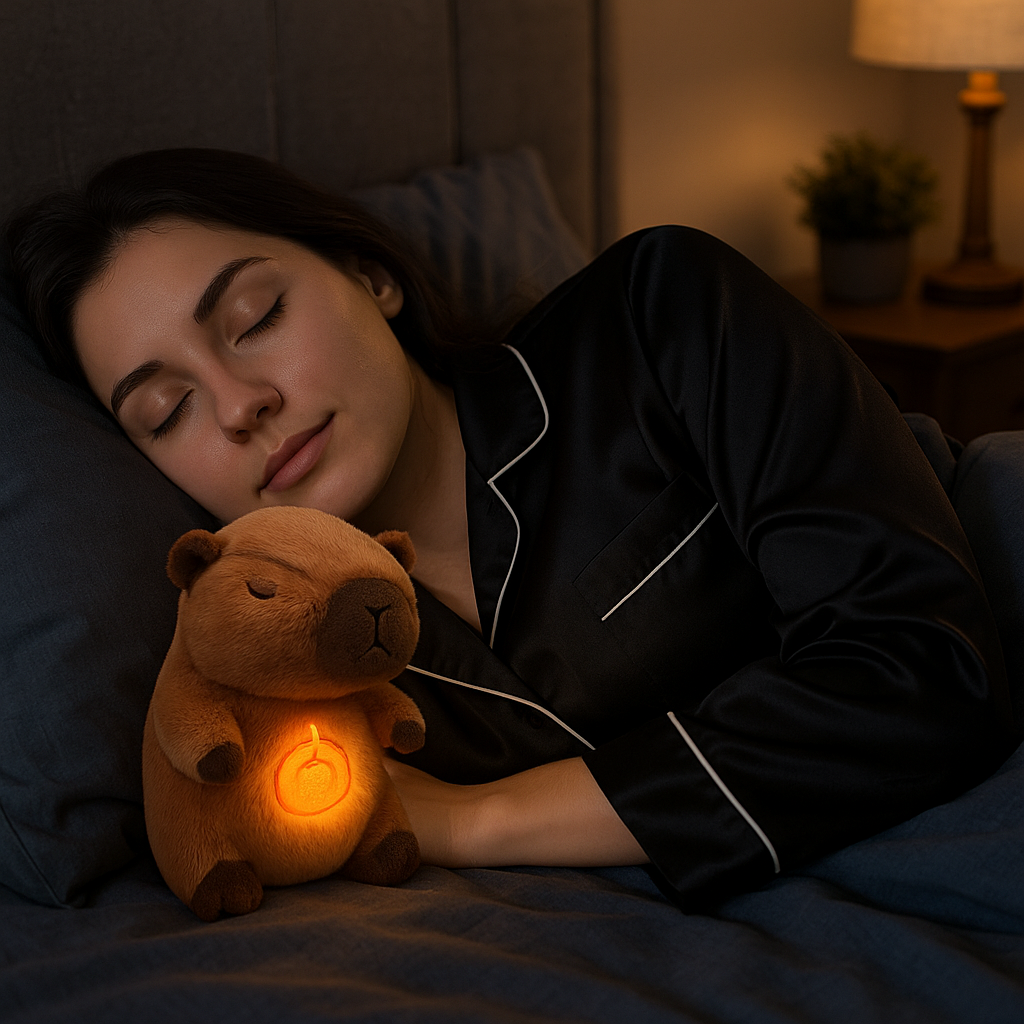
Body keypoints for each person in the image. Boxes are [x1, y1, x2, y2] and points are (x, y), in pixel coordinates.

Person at [5, 148, 1016, 911]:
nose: (237, 405)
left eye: (256, 314)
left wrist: (474, 817)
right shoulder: (289, 665)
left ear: (372, 276)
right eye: (164, 412)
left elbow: (922, 667)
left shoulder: (661, 313)